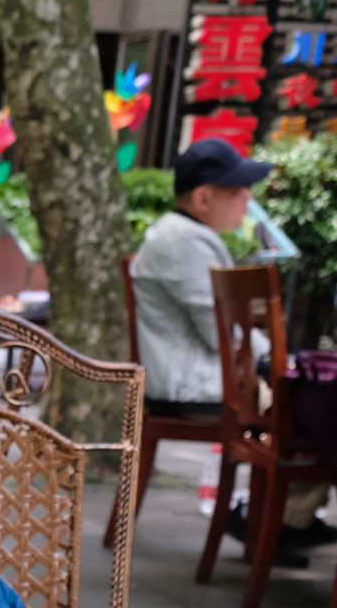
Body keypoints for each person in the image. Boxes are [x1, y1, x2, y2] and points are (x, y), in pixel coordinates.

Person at [130, 138, 332, 564]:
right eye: (239, 191)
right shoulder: (185, 241)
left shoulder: (181, 234)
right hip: (195, 383)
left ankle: (279, 517)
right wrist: (283, 361)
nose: (248, 199)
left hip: (193, 374)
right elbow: (221, 334)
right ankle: (277, 520)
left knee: (312, 399)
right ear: (203, 197)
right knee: (317, 405)